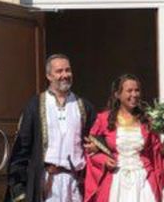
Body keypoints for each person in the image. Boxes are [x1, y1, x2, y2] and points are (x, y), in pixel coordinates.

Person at [6, 54, 96, 202]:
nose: (65, 75)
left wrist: (95, 147)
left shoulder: (84, 107)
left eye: (68, 70)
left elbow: (97, 140)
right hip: (47, 182)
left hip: (75, 184)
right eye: (59, 71)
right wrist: (18, 186)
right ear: (49, 75)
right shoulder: (35, 106)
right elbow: (22, 147)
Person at [84, 74, 164, 202]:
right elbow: (90, 151)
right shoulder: (103, 120)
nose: (134, 94)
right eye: (129, 91)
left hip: (143, 181)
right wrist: (104, 160)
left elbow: (156, 152)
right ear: (117, 95)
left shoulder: (148, 121)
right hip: (115, 181)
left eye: (137, 90)